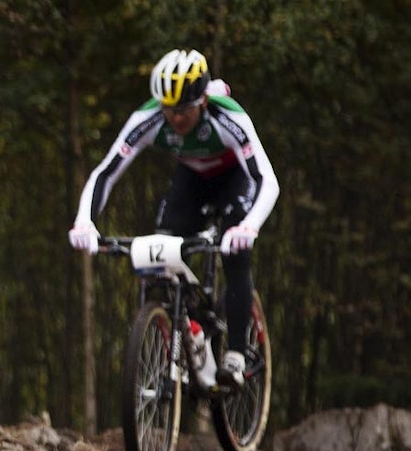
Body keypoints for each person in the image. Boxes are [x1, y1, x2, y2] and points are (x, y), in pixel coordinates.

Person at [69, 48, 279, 388]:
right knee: (161, 250)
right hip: (192, 179)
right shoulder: (149, 118)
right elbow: (106, 172)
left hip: (234, 179)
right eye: (168, 108)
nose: (174, 118)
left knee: (234, 253)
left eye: (182, 110)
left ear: (202, 103)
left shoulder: (229, 118)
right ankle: (188, 330)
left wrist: (248, 226)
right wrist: (84, 221)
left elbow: (266, 180)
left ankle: (236, 354)